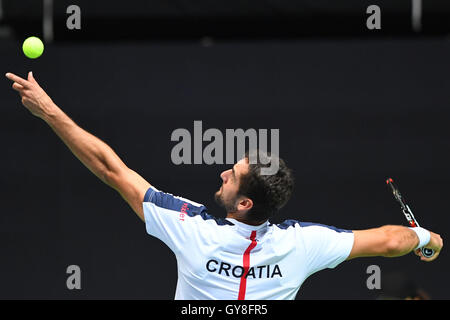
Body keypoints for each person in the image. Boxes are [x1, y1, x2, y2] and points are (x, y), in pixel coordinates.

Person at [5, 72, 443, 300]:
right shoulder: (305, 244)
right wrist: (429, 238)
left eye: (231, 177)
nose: (222, 174)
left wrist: (50, 114)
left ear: (244, 202)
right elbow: (390, 241)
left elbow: (110, 170)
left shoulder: (191, 227)